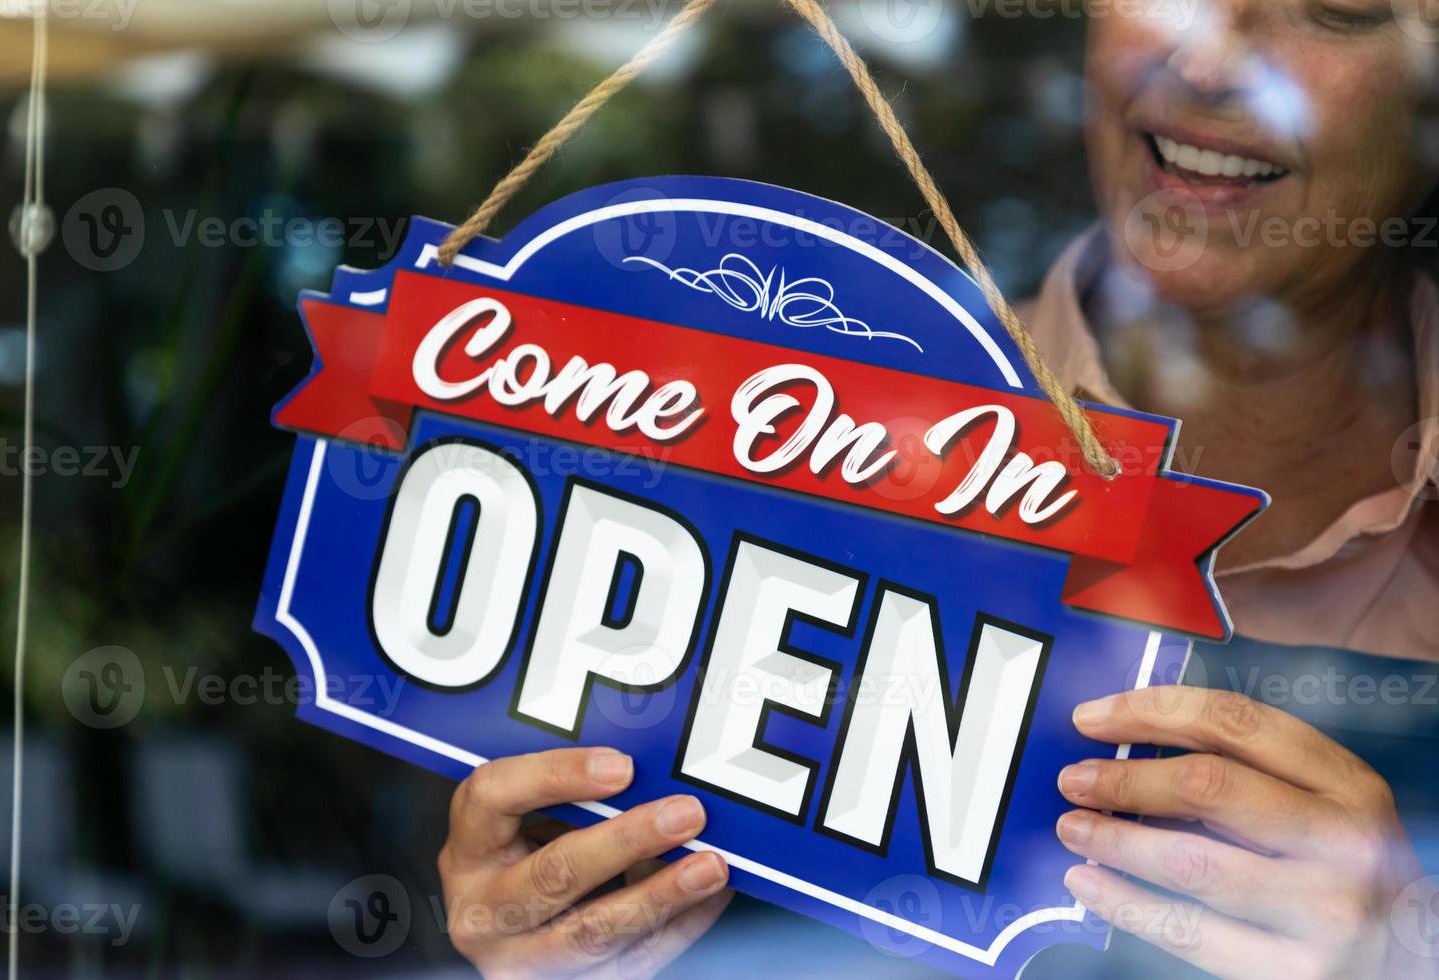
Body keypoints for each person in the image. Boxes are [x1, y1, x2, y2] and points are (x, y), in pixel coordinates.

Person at [434, 2, 1439, 976]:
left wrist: (1406, 949)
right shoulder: (803, 459)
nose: (1212, 61)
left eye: (1341, 7)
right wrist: (549, 936)